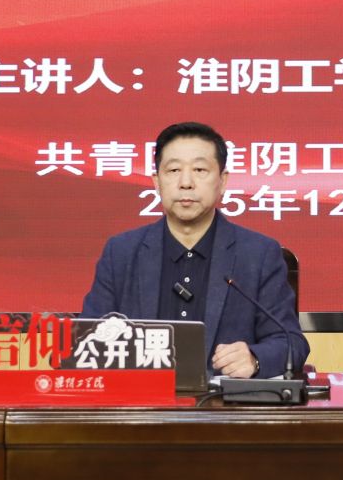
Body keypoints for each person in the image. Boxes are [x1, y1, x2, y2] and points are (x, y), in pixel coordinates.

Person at [81, 120, 308, 378]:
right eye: (173, 170)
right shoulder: (121, 253)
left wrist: (255, 358)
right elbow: (87, 340)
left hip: (225, 403)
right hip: (141, 400)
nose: (186, 182)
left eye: (200, 169)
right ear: (157, 181)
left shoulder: (258, 254)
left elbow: (292, 342)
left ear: (222, 181)